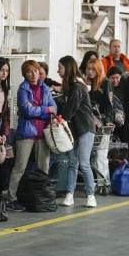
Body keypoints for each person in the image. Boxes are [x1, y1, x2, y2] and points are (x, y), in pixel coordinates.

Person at [7, 60, 56, 211]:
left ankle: (43, 196)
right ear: (25, 74)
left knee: (44, 167)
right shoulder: (23, 89)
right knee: (19, 167)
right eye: (29, 71)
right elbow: (28, 111)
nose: (33, 74)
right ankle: (11, 198)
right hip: (26, 133)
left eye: (35, 71)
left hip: (43, 133)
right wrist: (45, 110)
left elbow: (54, 107)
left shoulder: (45, 88)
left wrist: (40, 109)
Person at [55, 56, 98, 208]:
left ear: (67, 68)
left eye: (60, 67)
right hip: (74, 129)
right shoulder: (69, 86)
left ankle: (91, 195)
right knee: (73, 162)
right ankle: (69, 194)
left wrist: (60, 118)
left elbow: (71, 108)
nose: (58, 70)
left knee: (84, 163)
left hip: (86, 128)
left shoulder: (77, 87)